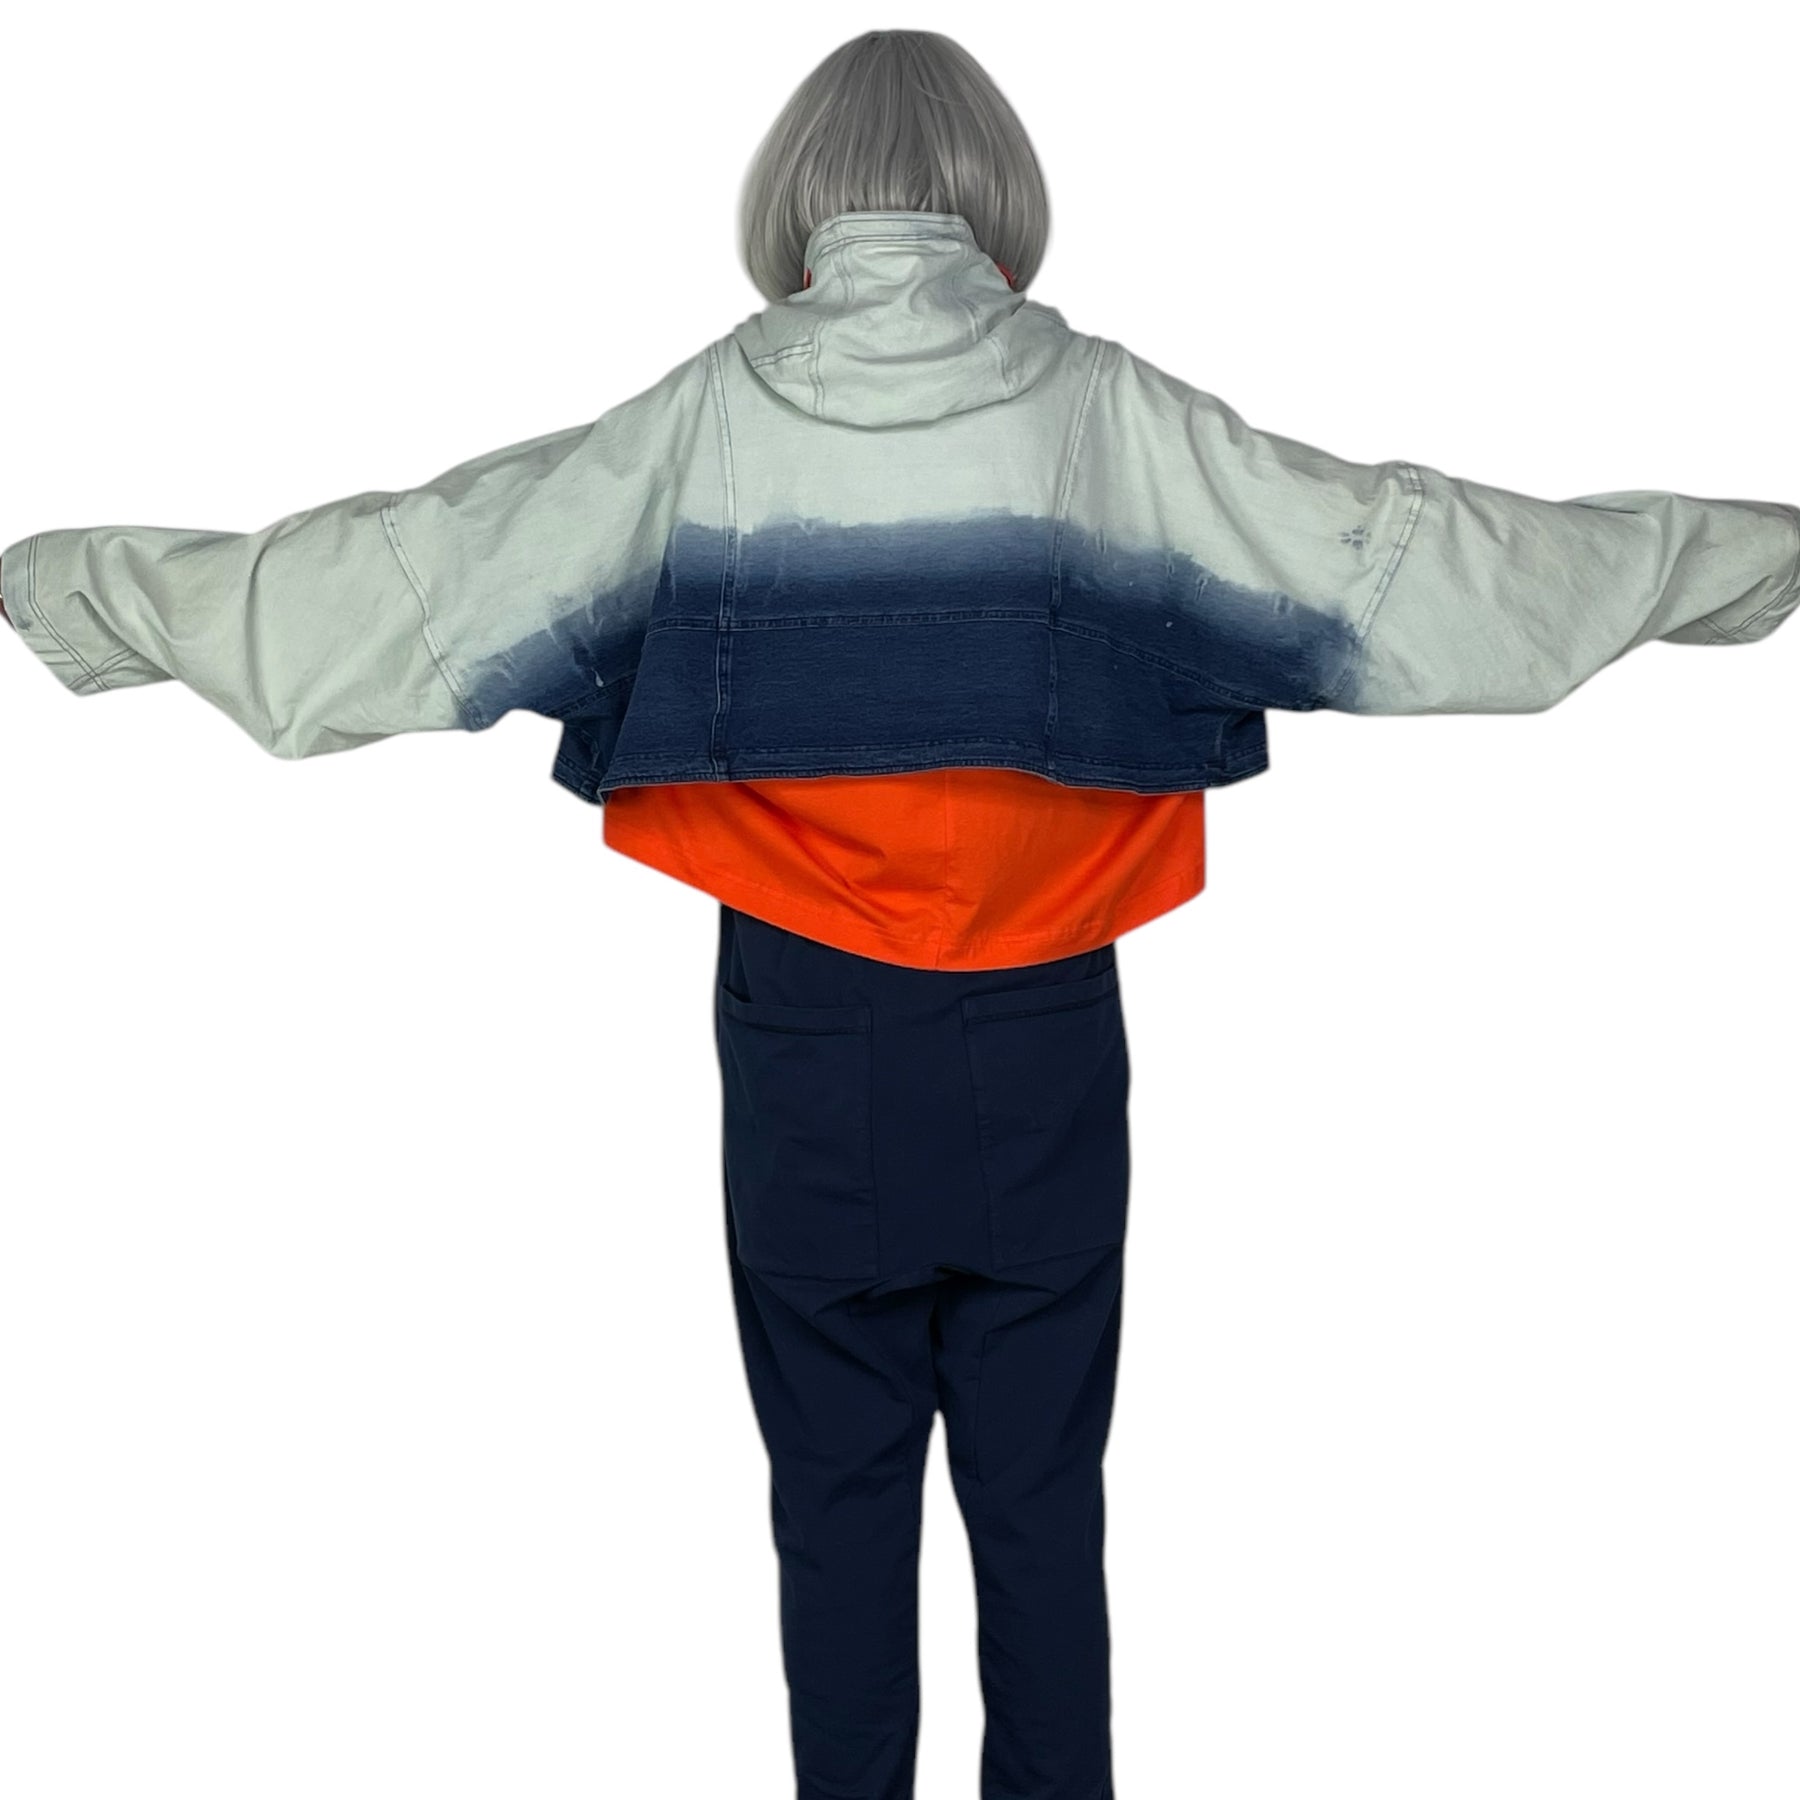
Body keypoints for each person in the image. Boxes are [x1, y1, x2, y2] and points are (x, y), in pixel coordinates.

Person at [4, 27, 1795, 1800]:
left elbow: (398, 591)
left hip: (805, 1035)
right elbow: (1412, 567)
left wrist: (70, 587)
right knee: (1043, 1507)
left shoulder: (704, 422)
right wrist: (1743, 555)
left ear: (795, 199)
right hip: (1047, 1031)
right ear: (996, 194)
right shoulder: (1106, 416)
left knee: (835, 1505)